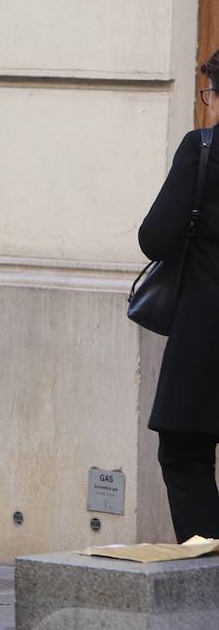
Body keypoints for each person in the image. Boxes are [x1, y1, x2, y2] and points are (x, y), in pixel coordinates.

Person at [138, 48, 219, 543]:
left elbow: (155, 238)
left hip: (204, 335)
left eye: (211, 93)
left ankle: (208, 582)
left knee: (185, 456)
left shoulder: (203, 149)